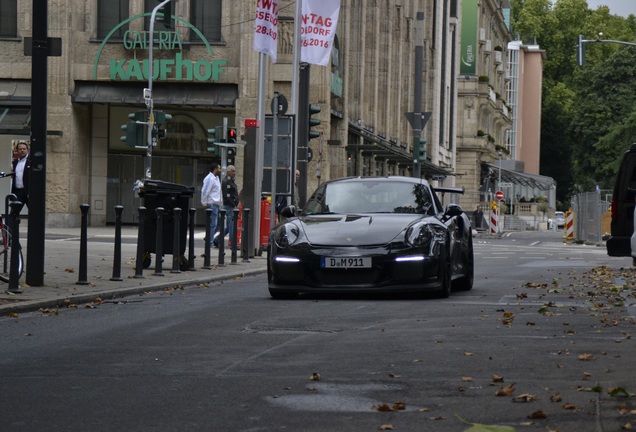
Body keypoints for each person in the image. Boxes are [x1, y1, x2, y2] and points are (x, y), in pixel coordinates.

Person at [201, 163, 222, 247]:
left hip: (217, 204)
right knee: (213, 224)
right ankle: (210, 242)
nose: (220, 170)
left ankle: (209, 237)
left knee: (219, 223)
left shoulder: (216, 178)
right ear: (215, 169)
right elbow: (205, 191)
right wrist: (204, 203)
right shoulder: (210, 179)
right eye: (219, 168)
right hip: (212, 203)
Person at [219, 165, 240, 247]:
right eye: (232, 171)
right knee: (232, 225)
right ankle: (232, 243)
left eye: (234, 171)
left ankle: (217, 240)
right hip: (229, 206)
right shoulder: (226, 182)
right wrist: (233, 203)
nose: (234, 173)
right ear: (228, 172)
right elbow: (226, 195)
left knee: (230, 225)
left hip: (231, 205)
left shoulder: (230, 181)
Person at [11, 141, 30, 213]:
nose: (22, 150)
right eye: (20, 149)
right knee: (13, 214)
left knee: (34, 214)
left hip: (28, 192)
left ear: (27, 150)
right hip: (18, 192)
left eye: (24, 149)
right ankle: (13, 224)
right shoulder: (15, 162)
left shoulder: (31, 161)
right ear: (17, 150)